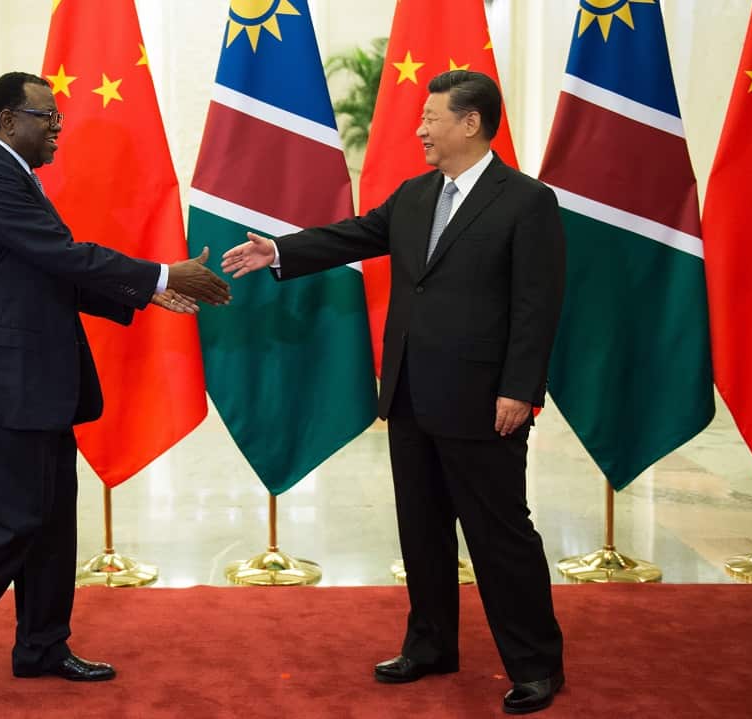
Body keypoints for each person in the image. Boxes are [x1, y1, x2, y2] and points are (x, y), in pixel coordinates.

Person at [222, 70, 565, 715]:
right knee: (422, 531)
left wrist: (519, 389)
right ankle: (431, 644)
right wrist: (277, 251)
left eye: (432, 118)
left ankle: (536, 664)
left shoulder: (526, 201)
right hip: (409, 393)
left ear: (470, 123)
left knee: (499, 535)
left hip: (485, 401)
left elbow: (537, 306)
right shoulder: (413, 196)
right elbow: (353, 235)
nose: (420, 129)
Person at [0, 71, 230, 706]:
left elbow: (49, 273)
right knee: (15, 517)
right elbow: (62, 254)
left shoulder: (17, 179)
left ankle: (41, 644)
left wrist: (154, 293)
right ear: (8, 120)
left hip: (33, 380)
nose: (57, 129)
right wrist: (156, 272)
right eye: (48, 118)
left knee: (51, 520)